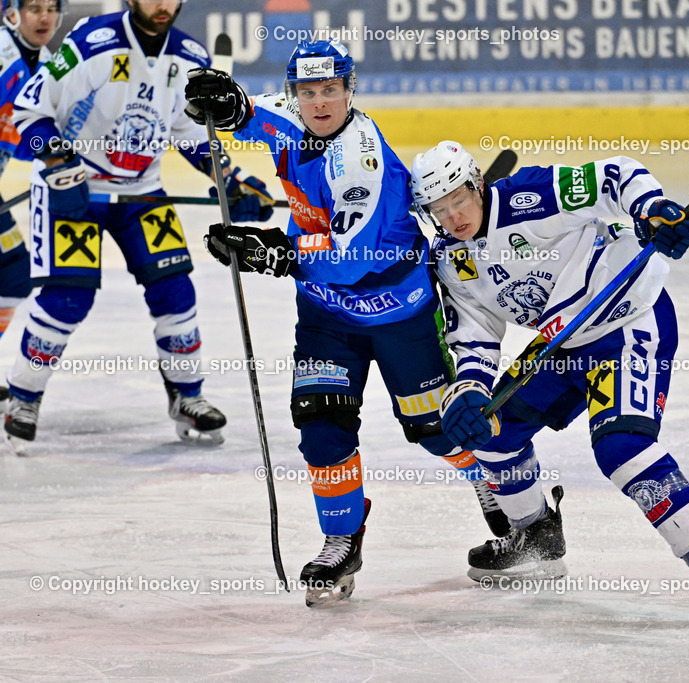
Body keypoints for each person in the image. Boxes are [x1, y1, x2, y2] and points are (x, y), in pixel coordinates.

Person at [184, 40, 510, 608]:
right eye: (307, 92)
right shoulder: (294, 116)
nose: (318, 102)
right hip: (326, 314)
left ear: (349, 91)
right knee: (321, 422)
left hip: (397, 311)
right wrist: (223, 101)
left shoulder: (360, 155)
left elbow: (352, 255)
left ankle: (501, 490)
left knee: (437, 430)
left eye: (329, 90)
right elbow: (252, 114)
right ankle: (341, 538)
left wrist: (274, 252)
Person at [411, 141, 689, 631]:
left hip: (628, 322)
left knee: (621, 448)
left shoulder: (530, 196)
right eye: (438, 208)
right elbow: (473, 336)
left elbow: (614, 175)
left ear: (477, 186)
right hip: (561, 346)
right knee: (491, 433)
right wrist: (472, 390)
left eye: (458, 200)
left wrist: (650, 209)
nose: (452, 216)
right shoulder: (452, 262)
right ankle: (536, 536)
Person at [3, 0, 274, 452]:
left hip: (141, 190)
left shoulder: (191, 57)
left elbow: (191, 136)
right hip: (75, 187)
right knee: (68, 296)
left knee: (175, 290)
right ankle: (23, 398)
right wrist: (57, 162)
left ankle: (188, 396)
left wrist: (231, 181)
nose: (162, 4)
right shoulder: (93, 41)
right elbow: (29, 110)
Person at [0, 0, 61, 405]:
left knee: (14, 273)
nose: (44, 16)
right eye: (34, 7)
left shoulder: (49, 61)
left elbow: (29, 137)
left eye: (51, 7)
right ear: (11, 14)